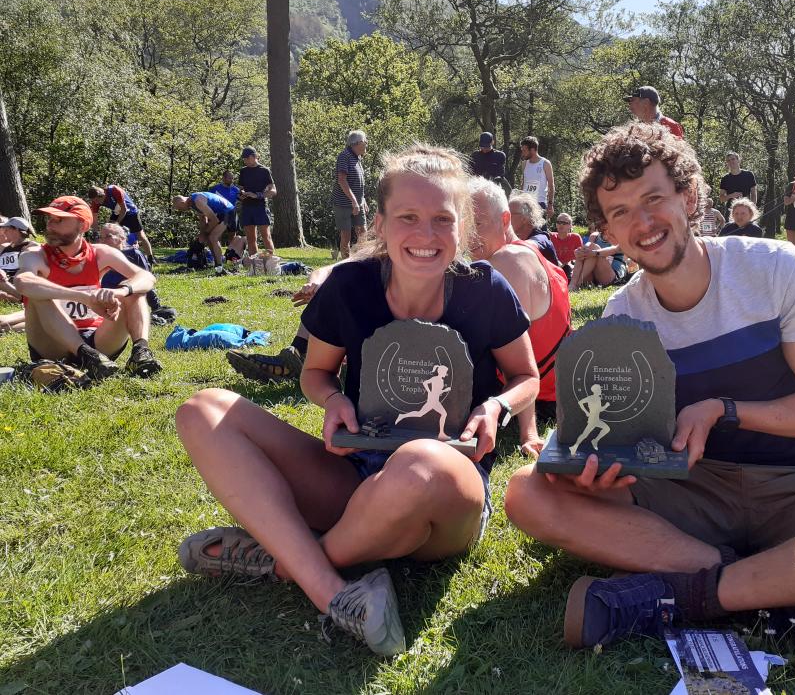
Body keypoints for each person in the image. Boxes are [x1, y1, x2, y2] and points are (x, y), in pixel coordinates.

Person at [503, 122, 795, 673]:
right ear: (607, 228)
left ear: (688, 197)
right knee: (528, 494)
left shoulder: (772, 269)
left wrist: (724, 410)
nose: (642, 223)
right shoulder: (622, 316)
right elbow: (622, 441)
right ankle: (788, 593)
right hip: (689, 494)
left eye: (654, 199)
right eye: (620, 212)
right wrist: (593, 469)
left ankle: (697, 594)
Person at [174, 144, 539, 656]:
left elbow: (527, 377)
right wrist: (330, 402)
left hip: (445, 491)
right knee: (201, 410)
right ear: (380, 222)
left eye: (442, 219)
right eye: (408, 217)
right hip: (355, 475)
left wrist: (497, 407)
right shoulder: (349, 284)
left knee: (419, 463)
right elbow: (317, 373)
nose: (426, 235)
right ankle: (334, 592)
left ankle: (287, 563)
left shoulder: (484, 287)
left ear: (461, 227)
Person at [470, 178, 572, 455]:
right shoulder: (529, 252)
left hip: (539, 397)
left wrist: (528, 433)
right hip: (558, 387)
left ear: (505, 219)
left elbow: (522, 346)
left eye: (477, 225)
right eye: (463, 226)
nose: (468, 237)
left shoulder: (506, 261)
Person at [14, 196, 162, 379]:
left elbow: (146, 276)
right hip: (53, 346)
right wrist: (83, 296)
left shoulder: (100, 252)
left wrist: (122, 291)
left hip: (98, 341)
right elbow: (23, 281)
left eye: (59, 220)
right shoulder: (35, 254)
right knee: (39, 294)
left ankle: (141, 353)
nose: (50, 226)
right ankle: (86, 355)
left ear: (83, 225)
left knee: (135, 291)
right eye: (49, 219)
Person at [226, 261, 341, 382]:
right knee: (326, 291)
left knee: (338, 292)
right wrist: (314, 285)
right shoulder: (359, 259)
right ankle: (296, 358)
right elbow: (322, 271)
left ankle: (300, 363)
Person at [97, 223, 176, 324]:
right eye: (100, 237)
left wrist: (156, 307)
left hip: (129, 297)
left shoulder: (134, 254)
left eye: (108, 236)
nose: (102, 241)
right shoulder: (99, 256)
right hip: (106, 300)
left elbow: (146, 281)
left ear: (121, 238)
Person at [86, 184, 154, 262]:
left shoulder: (114, 190)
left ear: (101, 195)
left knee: (140, 235)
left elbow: (124, 209)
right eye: (94, 201)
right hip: (117, 212)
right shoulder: (95, 201)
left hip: (130, 211)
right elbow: (95, 219)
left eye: (96, 200)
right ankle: (113, 257)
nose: (96, 203)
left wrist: (116, 224)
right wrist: (95, 233)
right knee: (107, 231)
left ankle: (150, 258)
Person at [172, 192, 235, 275]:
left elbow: (214, 220)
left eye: (180, 208)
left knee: (213, 237)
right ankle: (217, 264)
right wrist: (201, 236)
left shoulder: (198, 201)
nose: (181, 211)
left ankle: (220, 267)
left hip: (229, 212)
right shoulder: (192, 203)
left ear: (182, 203)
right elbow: (203, 220)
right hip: (220, 213)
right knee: (208, 238)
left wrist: (204, 234)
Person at [0, 216, 39, 334]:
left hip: (17, 285)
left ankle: (19, 300)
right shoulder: (4, 248)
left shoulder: (32, 246)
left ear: (16, 230)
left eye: (7, 230)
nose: (4, 232)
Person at [334, 130, 369, 261]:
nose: (366, 144)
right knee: (346, 235)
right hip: (343, 204)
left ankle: (361, 261)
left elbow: (358, 181)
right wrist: (354, 201)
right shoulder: (344, 156)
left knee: (363, 233)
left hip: (358, 203)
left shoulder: (357, 158)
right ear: (358, 143)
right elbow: (342, 180)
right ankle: (345, 263)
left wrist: (362, 198)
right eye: (365, 141)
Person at [238, 146, 277, 258]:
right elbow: (240, 188)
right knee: (251, 238)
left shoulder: (264, 170)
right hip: (246, 207)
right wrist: (242, 194)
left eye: (246, 158)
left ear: (253, 157)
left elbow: (273, 191)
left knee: (266, 236)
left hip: (260, 207)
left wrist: (257, 195)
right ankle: (255, 264)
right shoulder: (243, 171)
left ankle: (270, 262)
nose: (244, 161)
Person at [508, 192, 560, 266]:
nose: (506, 217)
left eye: (510, 214)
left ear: (524, 218)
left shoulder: (541, 238)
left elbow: (535, 243)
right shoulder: (517, 239)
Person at [569, 226, 626, 291]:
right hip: (593, 275)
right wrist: (579, 252)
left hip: (612, 275)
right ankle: (572, 284)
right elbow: (587, 250)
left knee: (593, 249)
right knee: (586, 250)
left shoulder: (621, 235)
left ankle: (577, 284)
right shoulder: (594, 236)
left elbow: (614, 249)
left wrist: (594, 252)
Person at [211, 170, 245, 261]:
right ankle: (217, 255)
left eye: (232, 178)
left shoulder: (235, 189)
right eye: (229, 178)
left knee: (232, 235)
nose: (231, 180)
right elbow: (209, 202)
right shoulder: (215, 189)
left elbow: (242, 199)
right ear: (223, 178)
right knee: (218, 235)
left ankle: (230, 254)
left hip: (232, 215)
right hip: (220, 214)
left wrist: (245, 194)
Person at [517, 136, 554, 218]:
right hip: (526, 203)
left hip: (539, 203)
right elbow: (523, 183)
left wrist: (550, 204)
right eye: (522, 150)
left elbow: (551, 185)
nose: (522, 153)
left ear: (533, 149)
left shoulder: (545, 163)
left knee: (539, 230)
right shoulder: (524, 164)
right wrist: (519, 200)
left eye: (524, 150)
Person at [549, 212, 581, 278]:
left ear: (570, 226)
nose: (561, 225)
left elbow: (580, 256)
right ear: (556, 224)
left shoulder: (575, 237)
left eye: (564, 223)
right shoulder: (550, 237)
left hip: (570, 268)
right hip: (553, 268)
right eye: (559, 222)